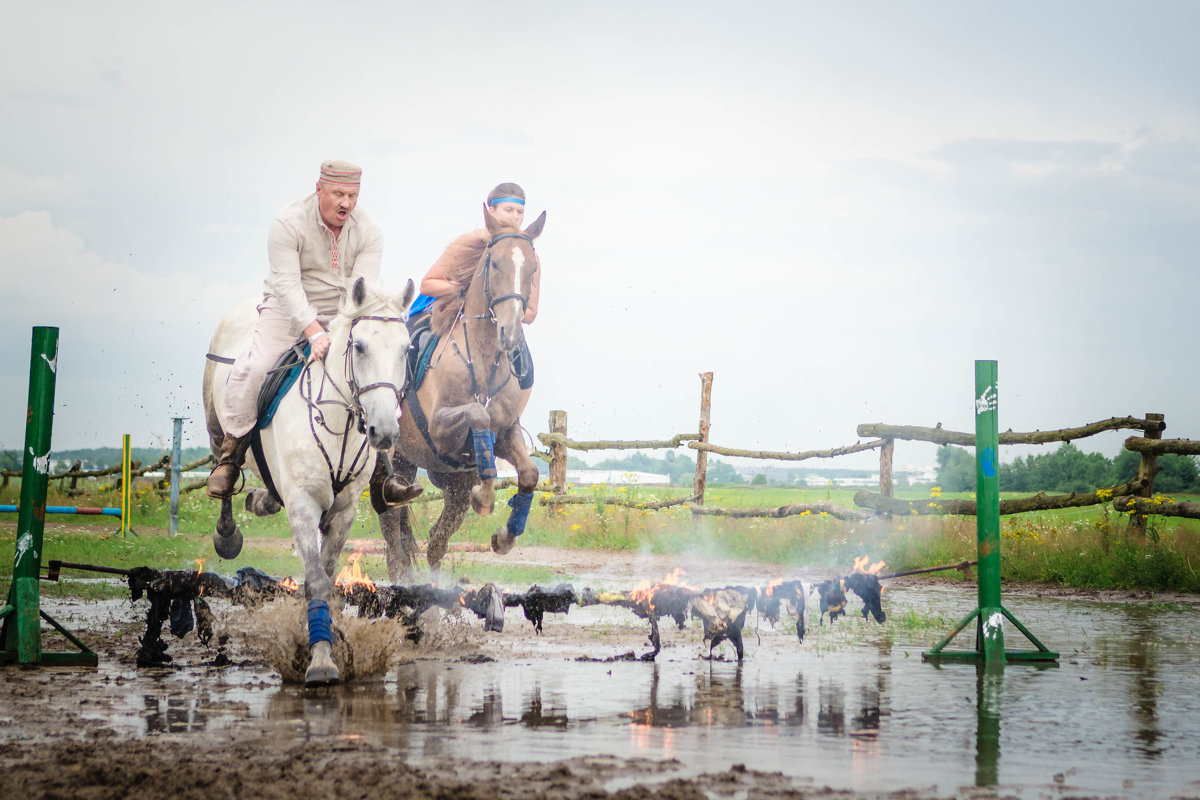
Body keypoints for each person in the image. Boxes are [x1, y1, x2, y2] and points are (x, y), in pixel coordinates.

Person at [206, 160, 420, 506]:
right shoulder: (288, 222)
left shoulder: (370, 230)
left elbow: (360, 290)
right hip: (286, 312)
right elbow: (287, 284)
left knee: (369, 373)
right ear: (319, 188)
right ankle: (231, 457)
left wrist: (336, 331)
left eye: (352, 195)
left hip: (342, 312)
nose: (345, 203)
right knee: (255, 367)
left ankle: (382, 473)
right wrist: (312, 332)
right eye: (338, 193)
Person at [407, 182, 539, 413]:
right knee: (411, 346)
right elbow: (428, 284)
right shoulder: (470, 241)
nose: (515, 217)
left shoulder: (527, 256)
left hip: (501, 322)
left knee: (526, 366)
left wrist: (508, 307)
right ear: (491, 212)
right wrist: (470, 292)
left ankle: (512, 420)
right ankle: (400, 407)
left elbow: (531, 313)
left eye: (520, 212)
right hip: (449, 311)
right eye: (508, 210)